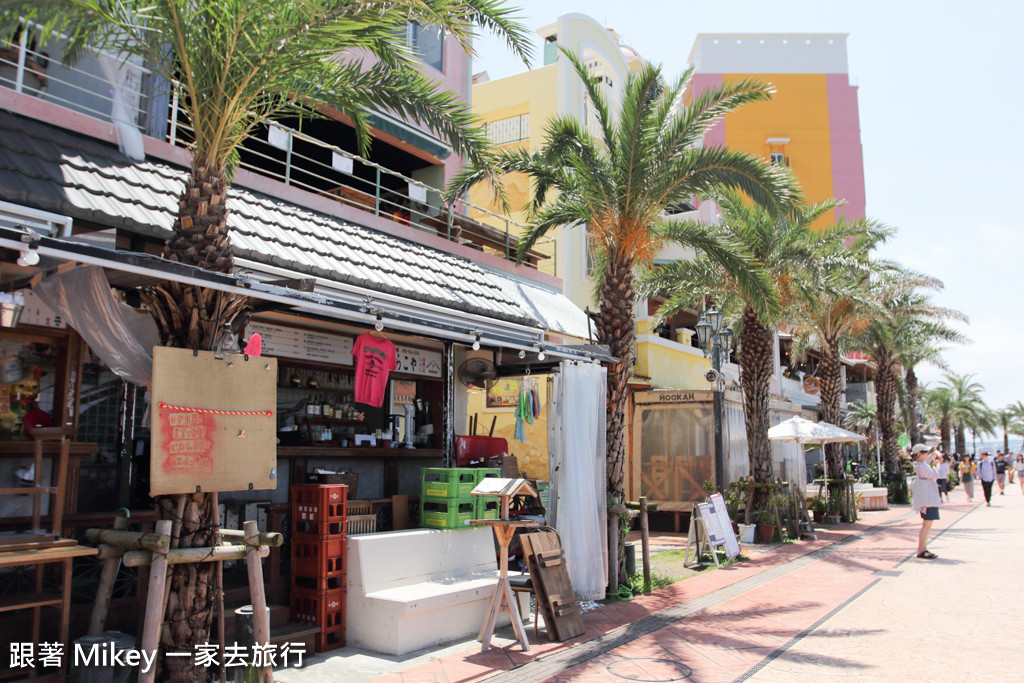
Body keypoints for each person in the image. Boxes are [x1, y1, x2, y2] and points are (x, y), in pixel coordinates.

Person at [911, 444, 941, 559]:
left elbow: (926, 462)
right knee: (927, 525)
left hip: (928, 497)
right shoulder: (921, 467)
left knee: (927, 525)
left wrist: (932, 456)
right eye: (925, 452)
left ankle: (923, 549)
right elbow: (934, 475)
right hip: (927, 499)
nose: (927, 454)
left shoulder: (920, 465)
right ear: (919, 453)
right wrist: (936, 466)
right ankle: (921, 549)